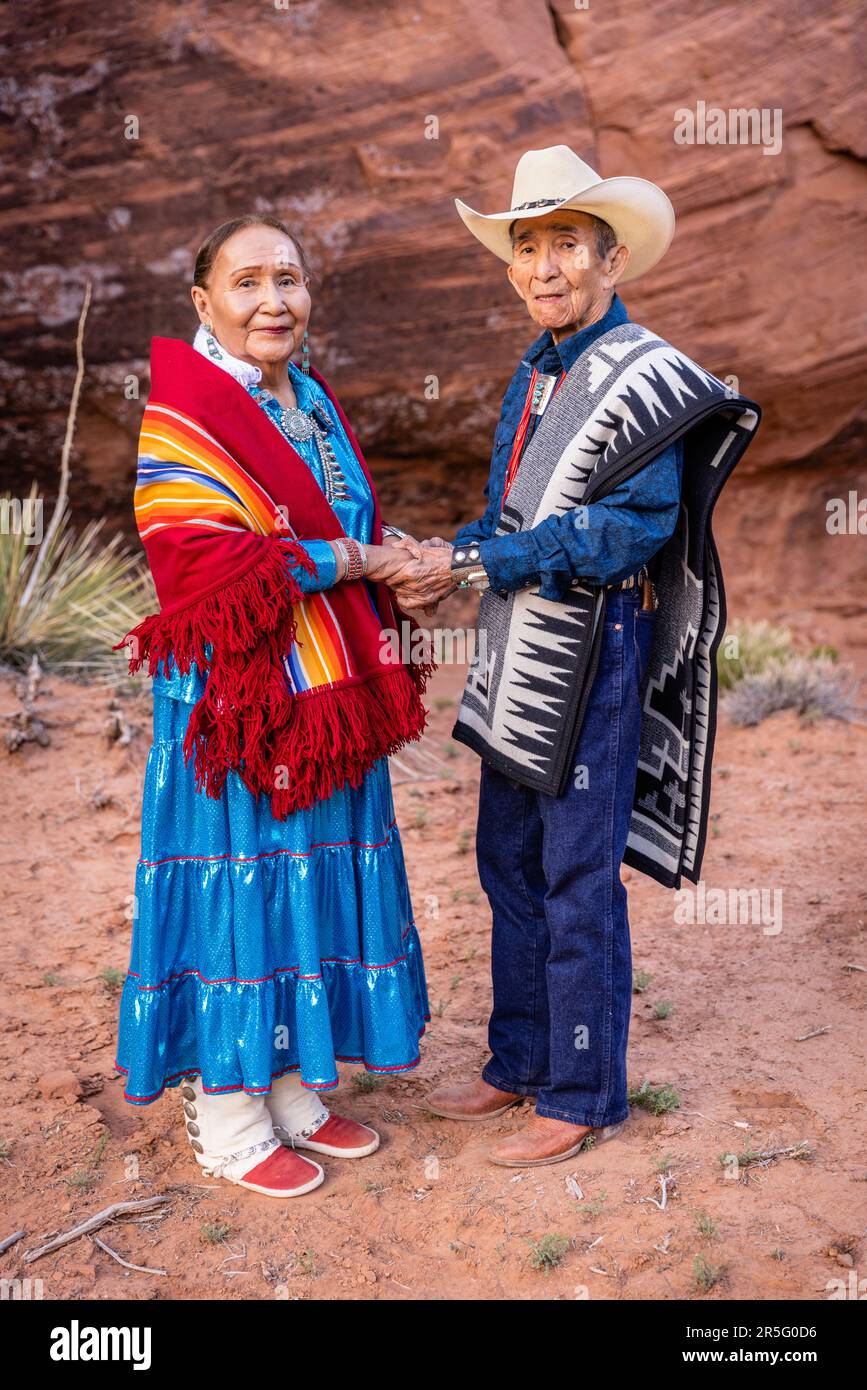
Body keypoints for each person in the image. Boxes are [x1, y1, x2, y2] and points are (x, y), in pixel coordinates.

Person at [394, 145, 761, 1166]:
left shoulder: (646, 378)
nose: (544, 266)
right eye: (527, 247)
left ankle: (584, 1089)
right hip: (525, 640)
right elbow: (513, 512)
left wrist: (483, 563)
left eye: (566, 244)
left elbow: (630, 530)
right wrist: (456, 557)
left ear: (613, 261)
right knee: (506, 854)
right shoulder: (538, 371)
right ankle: (518, 1059)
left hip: (596, 646)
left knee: (576, 874)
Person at [115, 215, 434, 1197]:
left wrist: (400, 558)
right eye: (246, 282)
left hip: (323, 690)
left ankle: (290, 1076)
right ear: (203, 302)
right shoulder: (185, 411)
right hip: (242, 700)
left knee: (307, 875)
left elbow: (340, 522)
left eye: (288, 279)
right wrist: (355, 560)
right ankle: (225, 1103)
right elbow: (201, 560)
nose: (273, 301)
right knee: (242, 880)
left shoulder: (311, 397)